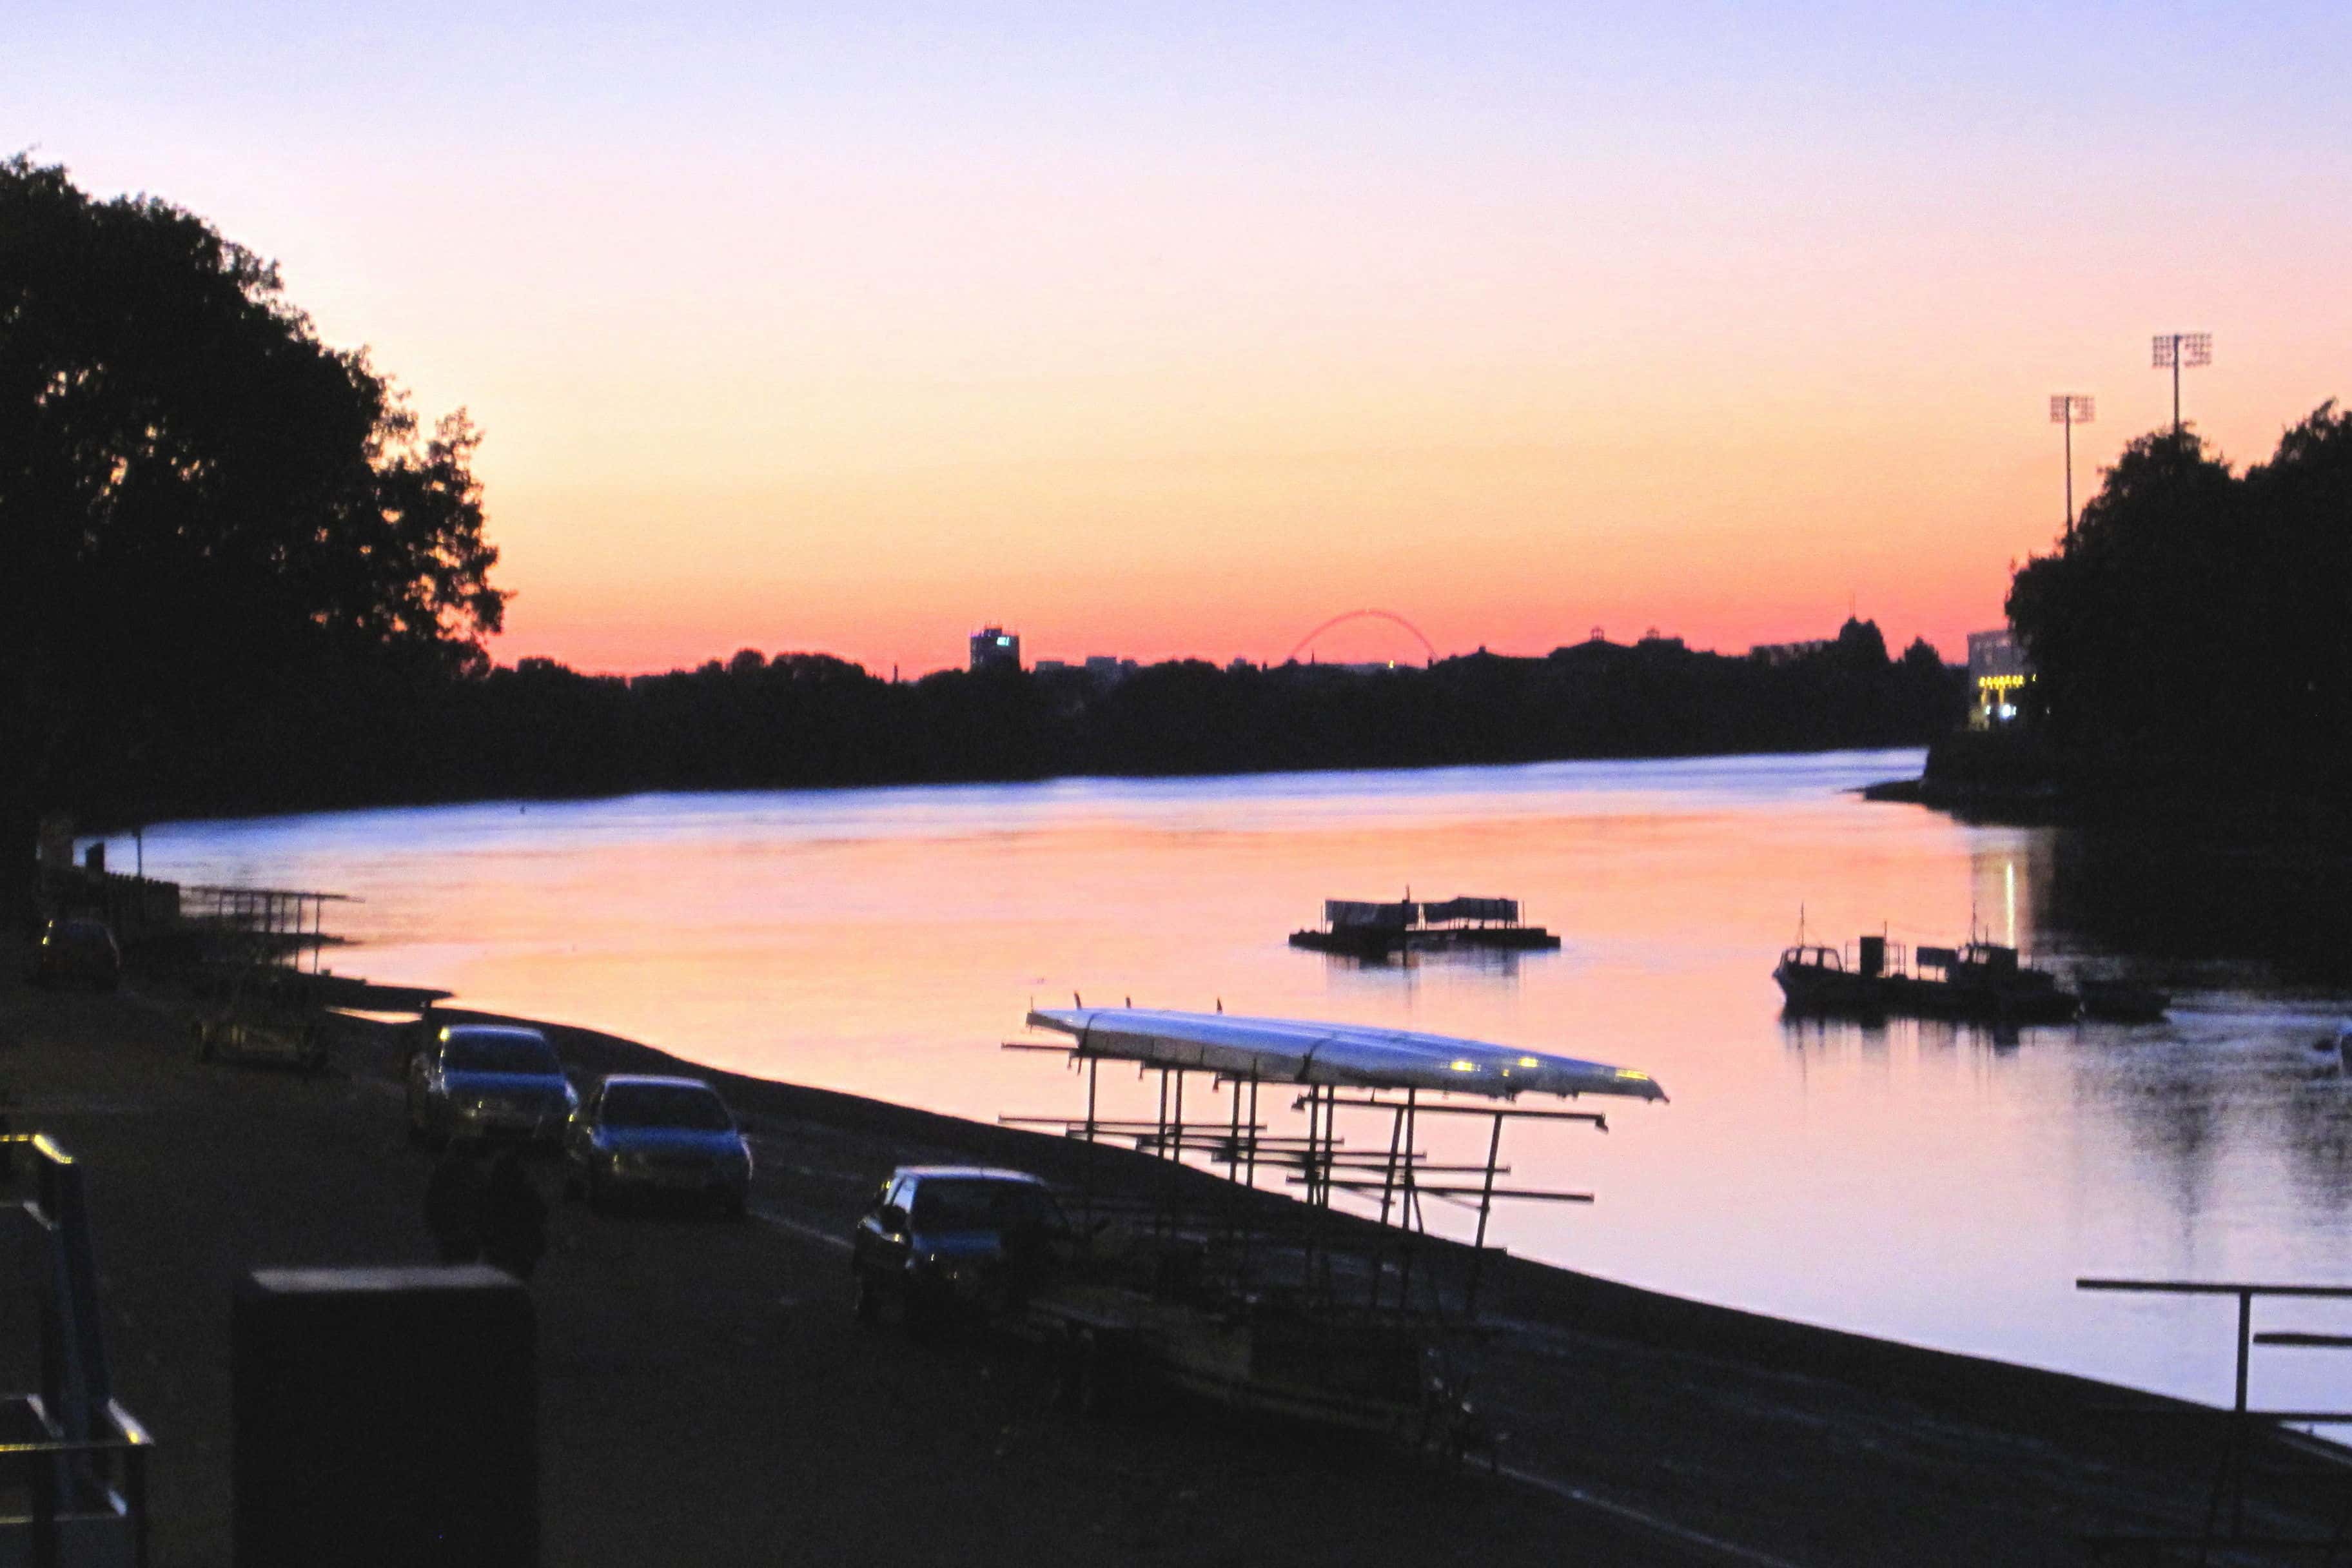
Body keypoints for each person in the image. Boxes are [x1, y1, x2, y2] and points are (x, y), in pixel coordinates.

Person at [480, 1149, 549, 1281]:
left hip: (502, 1250)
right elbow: (542, 1213)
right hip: (518, 1250)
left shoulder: (491, 1193)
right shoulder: (526, 1192)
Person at [424, 1140, 487, 1263]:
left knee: (452, 1269)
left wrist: (436, 1227)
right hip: (468, 1234)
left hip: (450, 1233)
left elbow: (432, 1203)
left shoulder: (442, 1174)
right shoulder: (477, 1176)